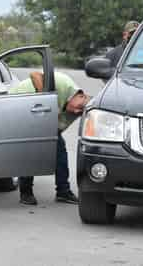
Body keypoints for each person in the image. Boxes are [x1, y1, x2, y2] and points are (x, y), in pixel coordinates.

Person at [9, 71, 90, 205]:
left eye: (80, 113)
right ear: (80, 95)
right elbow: (35, 74)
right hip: (17, 106)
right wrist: (46, 100)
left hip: (37, 118)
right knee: (30, 151)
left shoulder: (74, 111)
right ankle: (26, 193)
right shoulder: (65, 83)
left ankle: (63, 192)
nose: (77, 112)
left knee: (60, 151)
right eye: (79, 107)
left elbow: (58, 129)